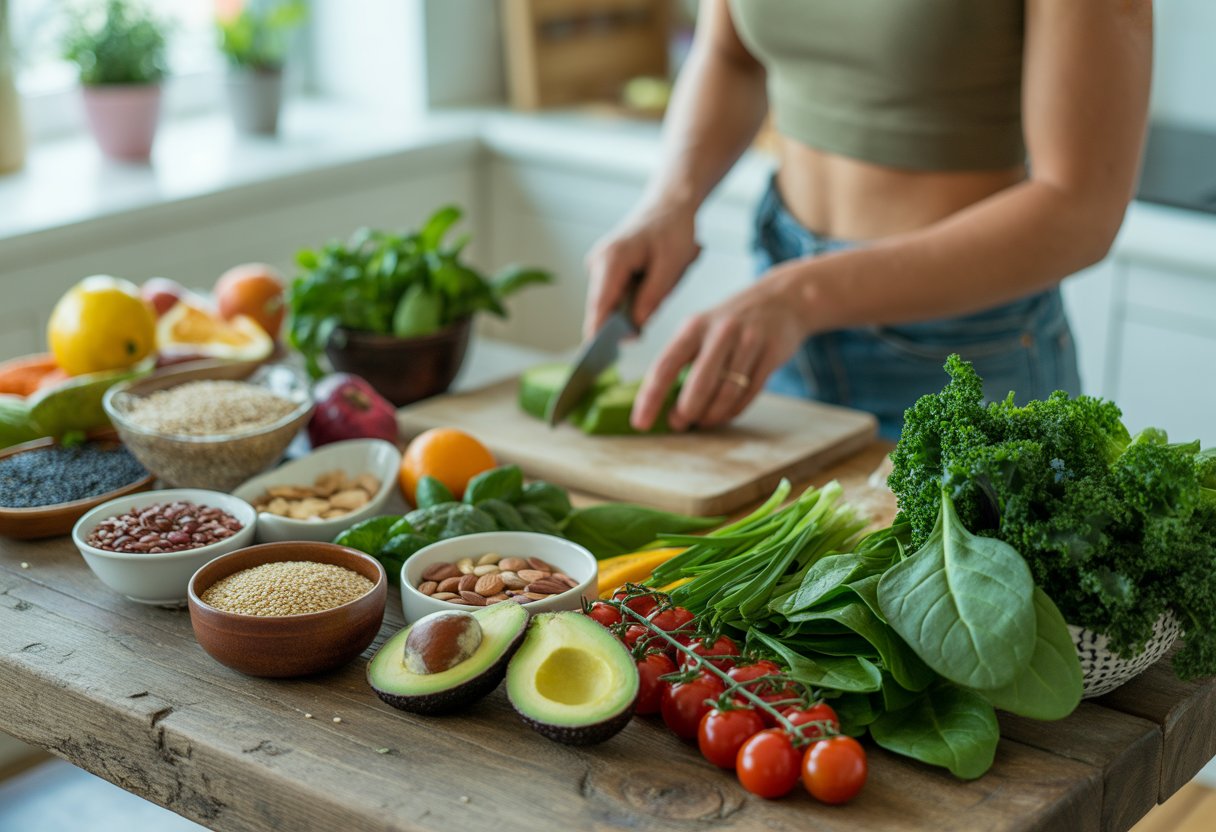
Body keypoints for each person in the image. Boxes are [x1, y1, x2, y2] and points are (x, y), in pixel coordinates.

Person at [583, 0, 1152, 439]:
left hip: (962, 356)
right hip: (782, 311)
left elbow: (1081, 209)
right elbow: (729, 54)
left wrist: (802, 295)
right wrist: (671, 202)